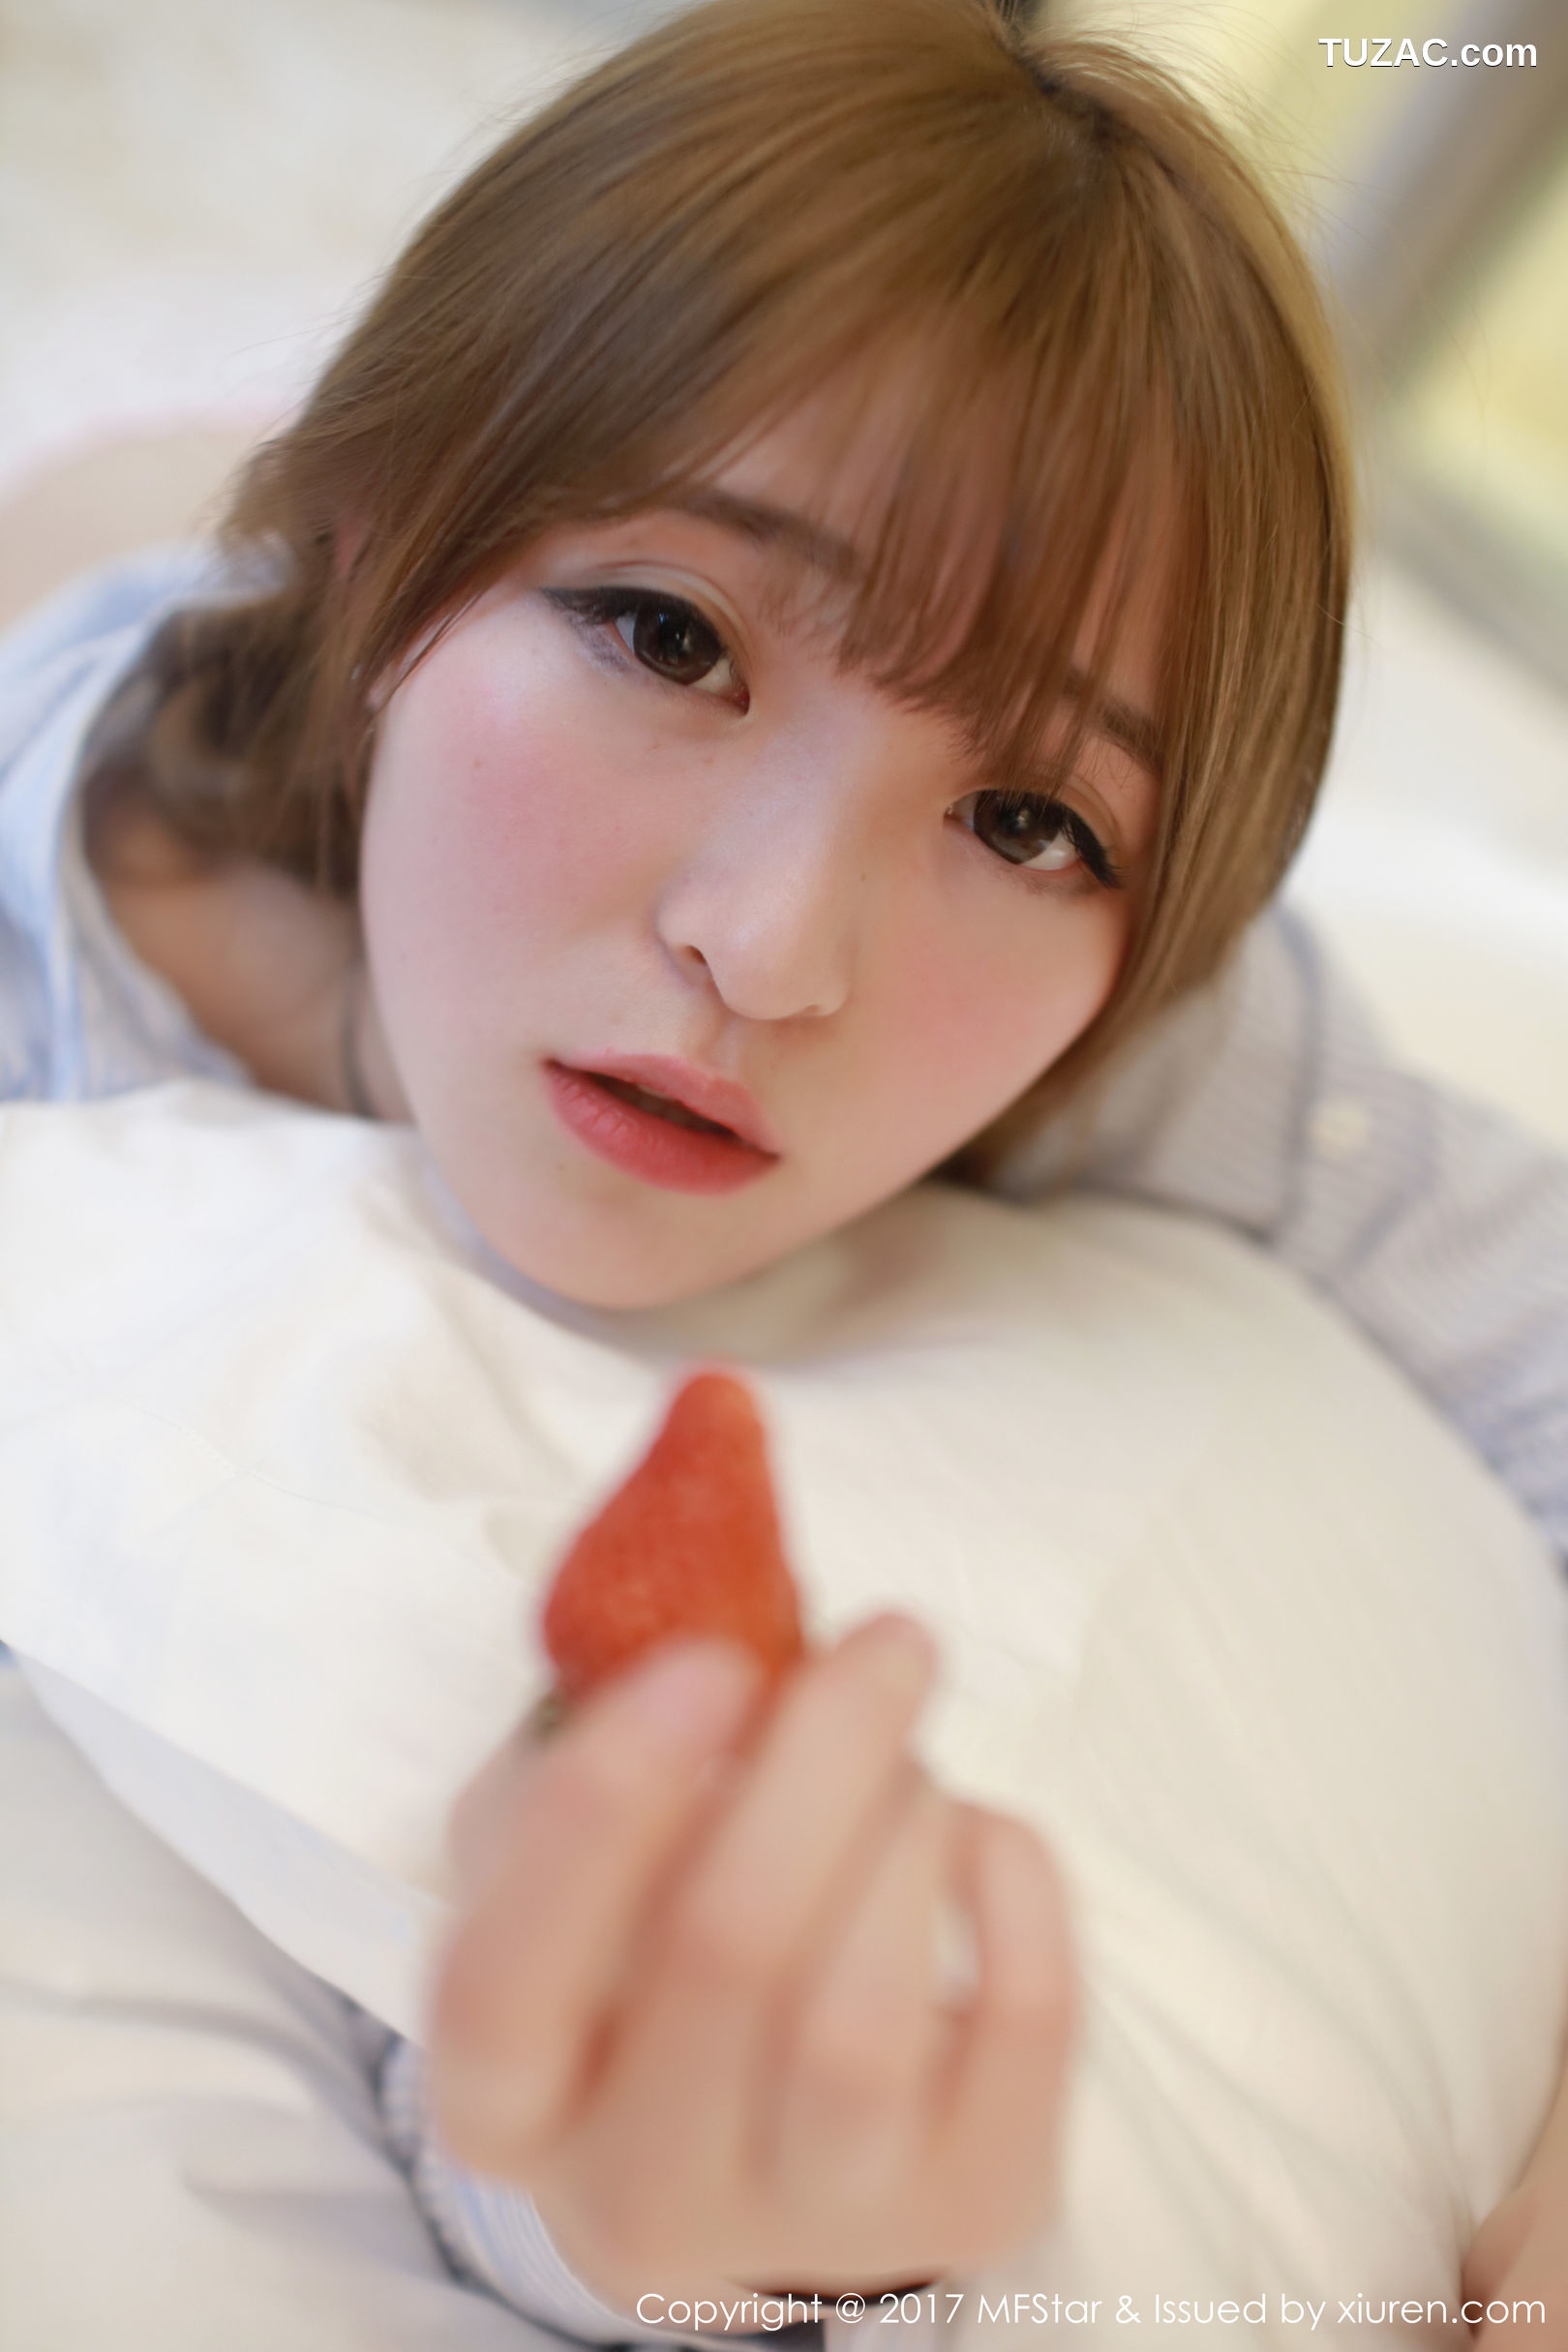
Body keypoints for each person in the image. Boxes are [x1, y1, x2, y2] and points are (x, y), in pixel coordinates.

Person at [1, 0, 1565, 2336]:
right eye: (671, 636)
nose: (772, 948)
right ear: (375, 552)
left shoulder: (1117, 1018)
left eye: (1019, 815)